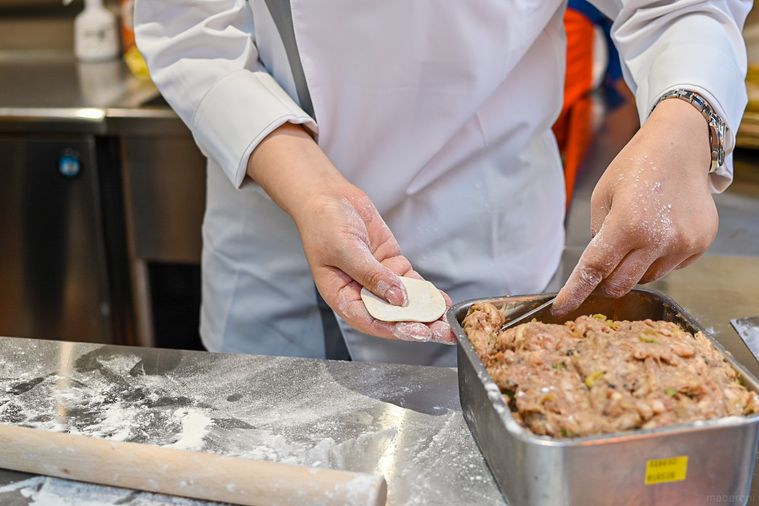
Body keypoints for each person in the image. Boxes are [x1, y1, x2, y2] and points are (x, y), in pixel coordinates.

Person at [134, 0, 748, 366]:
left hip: (485, 239)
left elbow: (676, 6)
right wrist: (309, 189)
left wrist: (685, 120)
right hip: (274, 234)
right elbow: (192, 30)